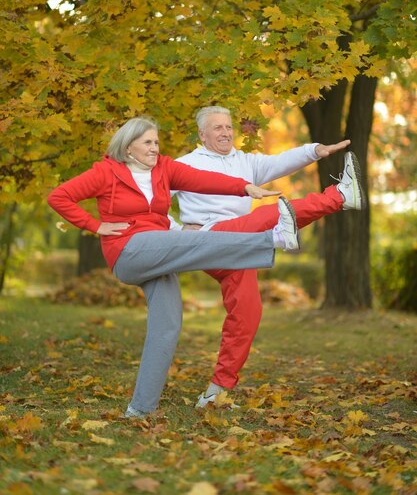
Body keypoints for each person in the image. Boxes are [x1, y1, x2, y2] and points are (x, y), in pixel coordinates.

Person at [47, 116, 304, 419]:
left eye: (157, 142)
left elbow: (203, 179)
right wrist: (95, 225)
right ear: (128, 147)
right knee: (195, 241)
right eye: (147, 143)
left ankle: (140, 409)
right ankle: (273, 239)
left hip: (160, 254)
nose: (155, 148)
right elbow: (59, 196)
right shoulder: (106, 173)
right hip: (129, 251)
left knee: (167, 327)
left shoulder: (164, 169)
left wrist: (246, 187)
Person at [171, 106, 365, 408]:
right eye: (217, 128)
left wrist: (317, 150)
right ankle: (339, 196)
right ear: (202, 134)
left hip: (240, 246)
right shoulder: (184, 164)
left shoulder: (245, 162)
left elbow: (281, 162)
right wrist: (176, 229)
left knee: (247, 313)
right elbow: (151, 200)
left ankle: (216, 392)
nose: (225, 132)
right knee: (271, 214)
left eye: (228, 126)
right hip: (208, 239)